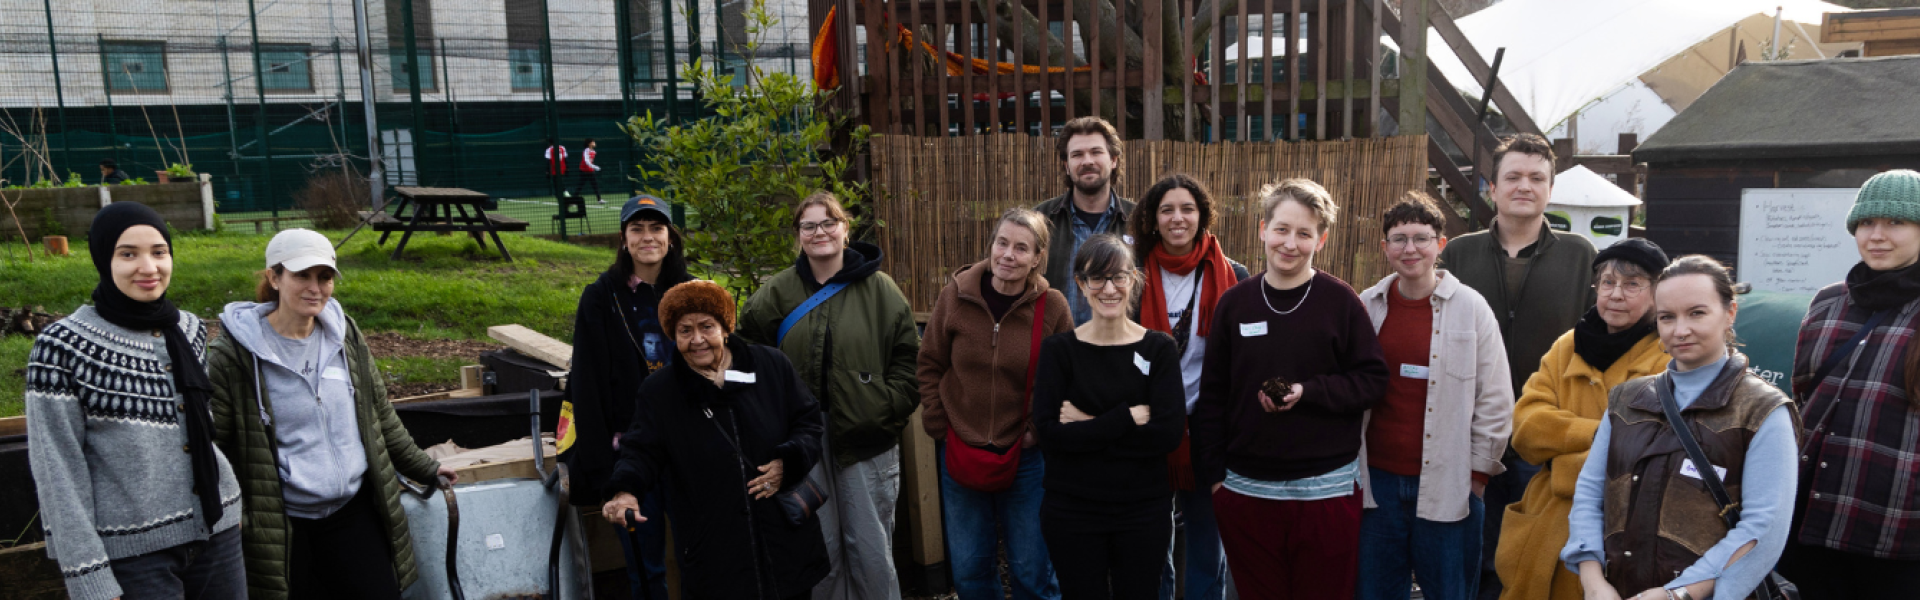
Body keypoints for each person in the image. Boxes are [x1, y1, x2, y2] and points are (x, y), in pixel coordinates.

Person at [206, 228, 457, 600]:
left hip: (352, 512)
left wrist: (425, 467)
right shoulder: (235, 356)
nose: (315, 288)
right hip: (284, 527)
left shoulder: (345, 336)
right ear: (274, 278)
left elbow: (379, 416)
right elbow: (217, 444)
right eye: (301, 275)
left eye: (324, 277)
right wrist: (231, 513)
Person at [26, 202, 245, 600]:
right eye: (128, 254)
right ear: (102, 257)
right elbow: (56, 468)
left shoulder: (189, 328)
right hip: (134, 554)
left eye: (159, 252)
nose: (149, 267)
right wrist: (87, 575)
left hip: (218, 531)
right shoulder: (62, 345)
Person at [1191, 178, 1390, 600]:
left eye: (1304, 233)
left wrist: (1310, 391)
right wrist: (1215, 481)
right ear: (1263, 230)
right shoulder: (1236, 303)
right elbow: (1212, 396)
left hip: (1326, 490)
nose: (1290, 243)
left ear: (1321, 239)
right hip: (1245, 490)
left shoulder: (1340, 302)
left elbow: (1372, 380)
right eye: (1282, 229)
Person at [1562, 255, 1799, 600]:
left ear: (1730, 313)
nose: (1680, 329)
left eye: (1697, 313)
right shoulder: (1625, 400)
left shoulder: (1764, 409)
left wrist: (1679, 594)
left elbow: (1763, 528)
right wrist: (1594, 583)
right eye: (1667, 317)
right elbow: (1589, 494)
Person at [1435, 133, 1598, 599]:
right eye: (1513, 177)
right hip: (1468, 429)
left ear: (1550, 188)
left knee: (1540, 549)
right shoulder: (1457, 255)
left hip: (1545, 432)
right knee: (1470, 548)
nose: (1524, 186)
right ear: (1492, 187)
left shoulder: (1581, 255)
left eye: (1536, 178)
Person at [739, 191, 921, 600]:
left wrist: (885, 407)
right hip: (802, 440)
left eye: (828, 222)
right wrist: (768, 415)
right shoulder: (778, 292)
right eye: (809, 225)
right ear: (798, 234)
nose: (819, 231)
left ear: (845, 229)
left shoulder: (881, 291)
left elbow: (910, 359)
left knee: (871, 549)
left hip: (866, 436)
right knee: (820, 549)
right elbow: (746, 353)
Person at [601, 280, 830, 599]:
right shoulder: (660, 392)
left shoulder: (770, 366)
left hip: (782, 541)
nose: (697, 340)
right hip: (713, 549)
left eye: (706, 326)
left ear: (725, 327)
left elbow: (808, 422)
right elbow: (640, 450)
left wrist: (787, 461)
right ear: (673, 336)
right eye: (684, 330)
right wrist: (625, 491)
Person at [1492, 238, 1670, 600]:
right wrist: (1604, 434)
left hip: (1625, 527)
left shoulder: (1667, 356)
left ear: (1657, 293)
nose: (1616, 294)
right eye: (1607, 283)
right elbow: (1525, 427)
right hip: (1547, 522)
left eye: (1632, 284)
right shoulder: (1567, 345)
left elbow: (1656, 445)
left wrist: (1564, 464)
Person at [1354, 192, 1512, 600]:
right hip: (1378, 487)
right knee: (1376, 592)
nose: (1410, 249)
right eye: (1399, 238)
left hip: (1450, 483)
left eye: (1421, 238)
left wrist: (1477, 476)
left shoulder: (1472, 308)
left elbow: (1495, 398)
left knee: (1450, 592)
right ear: (1384, 247)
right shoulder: (1365, 307)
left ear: (1440, 245)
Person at [1776, 169, 1920, 599]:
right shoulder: (1828, 302)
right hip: (1809, 518)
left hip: (1897, 532)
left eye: (1895, 222)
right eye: (1866, 223)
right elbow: (1804, 396)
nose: (1876, 235)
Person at [918, 208, 1073, 600]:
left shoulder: (1052, 307)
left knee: (1032, 571)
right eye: (1002, 243)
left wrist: (1036, 432)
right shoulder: (955, 296)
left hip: (1024, 459)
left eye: (1022, 248)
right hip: (960, 453)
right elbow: (929, 363)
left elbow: (1066, 380)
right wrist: (941, 425)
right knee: (970, 571)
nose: (1008, 254)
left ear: (1038, 257)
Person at [1028, 234, 1185, 600]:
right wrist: (1127, 419)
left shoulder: (1159, 348)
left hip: (1143, 511)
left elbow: (1167, 435)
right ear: (1081, 284)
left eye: (1118, 276)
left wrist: (1085, 424)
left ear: (1133, 279)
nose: (1109, 288)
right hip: (1073, 511)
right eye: (1097, 278)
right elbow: (1051, 437)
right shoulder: (1059, 351)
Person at [561, 195, 692, 600]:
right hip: (632, 453)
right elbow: (587, 384)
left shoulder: (690, 291)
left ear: (671, 237)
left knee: (698, 558)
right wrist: (606, 473)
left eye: (657, 228)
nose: (648, 237)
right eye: (638, 229)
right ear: (624, 239)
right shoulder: (602, 298)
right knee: (645, 567)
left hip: (688, 448)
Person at [1125, 174, 1249, 600]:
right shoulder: (1131, 275)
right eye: (1166, 210)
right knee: (1152, 538)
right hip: (1149, 425)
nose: (1177, 218)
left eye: (1187, 209)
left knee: (1206, 539)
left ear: (1202, 215)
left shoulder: (1234, 275)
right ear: (1151, 219)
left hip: (1209, 425)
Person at [1035, 116, 1135, 325]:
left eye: (1096, 152)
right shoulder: (1040, 220)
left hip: (1122, 348)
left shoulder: (1138, 220)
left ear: (1114, 159)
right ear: (1067, 165)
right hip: (1058, 348)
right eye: (1077, 154)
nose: (1087, 161)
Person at [574, 138, 604, 204]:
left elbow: (591, 161)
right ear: (589, 143)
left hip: (590, 171)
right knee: (580, 186)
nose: (594, 143)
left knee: (595, 185)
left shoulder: (593, 151)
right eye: (593, 142)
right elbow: (586, 161)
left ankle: (599, 200)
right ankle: (573, 201)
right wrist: (595, 167)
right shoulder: (586, 150)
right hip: (584, 171)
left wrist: (593, 167)